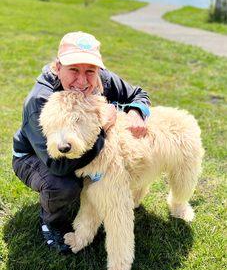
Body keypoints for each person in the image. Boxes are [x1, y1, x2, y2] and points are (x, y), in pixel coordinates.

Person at [12, 31, 151, 253]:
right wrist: (103, 129)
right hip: (34, 157)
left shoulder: (100, 79)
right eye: (73, 70)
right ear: (58, 67)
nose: (82, 81)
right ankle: (52, 221)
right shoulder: (40, 100)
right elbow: (59, 164)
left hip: (78, 148)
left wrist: (136, 112)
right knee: (64, 184)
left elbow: (138, 94)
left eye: (90, 71)